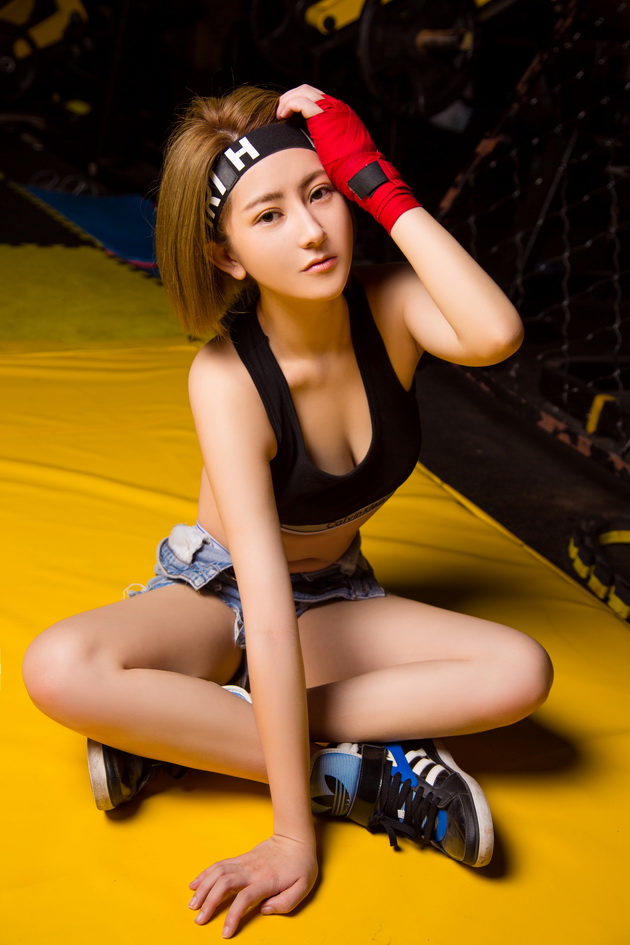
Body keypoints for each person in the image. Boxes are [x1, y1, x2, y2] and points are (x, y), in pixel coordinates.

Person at [23, 84, 553, 937]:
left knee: (520, 672)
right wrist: (291, 836)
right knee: (57, 667)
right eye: (268, 216)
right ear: (227, 255)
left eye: (322, 193)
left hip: (335, 598)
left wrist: (376, 180)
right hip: (224, 596)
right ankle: (353, 774)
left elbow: (496, 334)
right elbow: (264, 612)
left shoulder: (391, 309)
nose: (311, 231)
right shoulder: (227, 379)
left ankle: (178, 728)